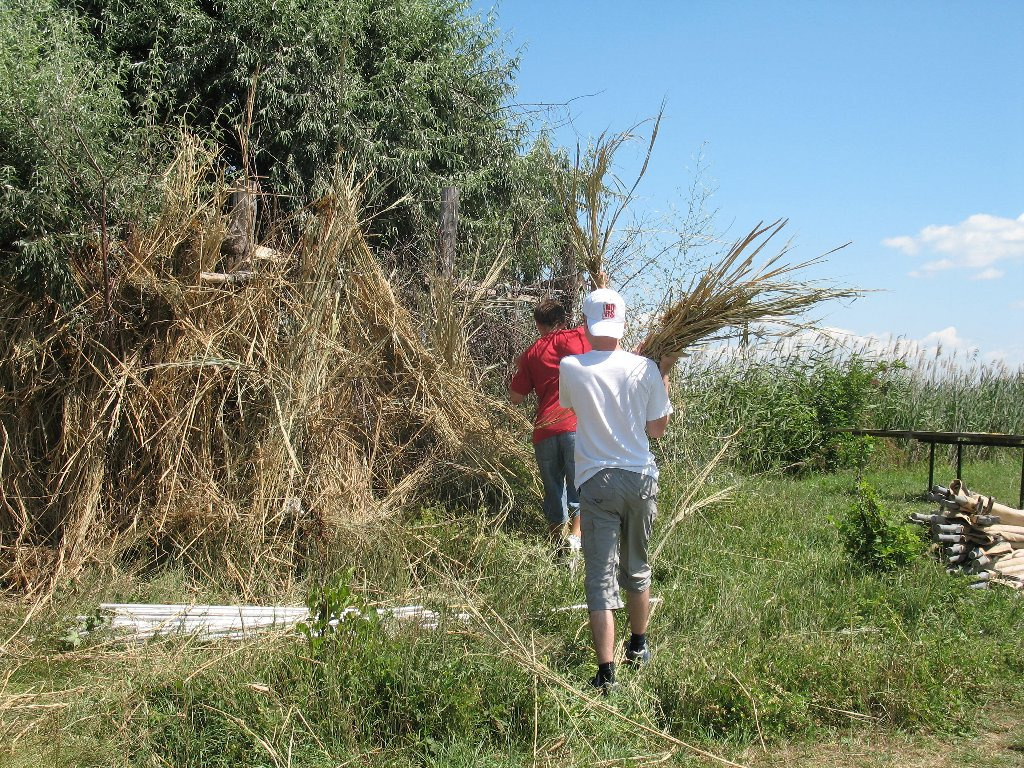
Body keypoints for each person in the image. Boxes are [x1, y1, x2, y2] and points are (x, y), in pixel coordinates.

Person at [558, 287, 675, 694]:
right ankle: (639, 647)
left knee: (599, 579)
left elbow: (573, 408)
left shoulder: (571, 366)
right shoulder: (645, 368)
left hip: (596, 483)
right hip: (641, 478)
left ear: (588, 325)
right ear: (623, 324)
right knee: (637, 568)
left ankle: (606, 673)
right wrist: (662, 373)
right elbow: (656, 429)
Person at [509, 298, 591, 554]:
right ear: (564, 319)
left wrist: (521, 364)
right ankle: (576, 542)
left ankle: (558, 548)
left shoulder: (532, 352)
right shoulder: (577, 337)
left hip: (544, 429)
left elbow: (516, 397)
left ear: (537, 324)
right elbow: (596, 324)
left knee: (553, 490)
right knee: (581, 486)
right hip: (575, 424)